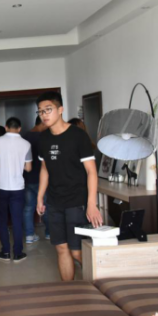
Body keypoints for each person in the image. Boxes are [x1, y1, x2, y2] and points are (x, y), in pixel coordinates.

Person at [36, 92, 103, 281]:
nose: (44, 114)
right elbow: (44, 169)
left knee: (76, 251)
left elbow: (91, 171)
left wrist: (91, 204)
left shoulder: (78, 136)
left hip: (76, 201)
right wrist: (40, 197)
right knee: (61, 247)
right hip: (54, 201)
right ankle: (69, 290)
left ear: (60, 110)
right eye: (40, 111)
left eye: (48, 109)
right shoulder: (43, 139)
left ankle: (101, 283)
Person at [0, 117, 32, 263]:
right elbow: (28, 168)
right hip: (17, 187)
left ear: (6, 127)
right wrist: (17, 163)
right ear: (19, 128)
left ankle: (5, 251)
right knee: (17, 219)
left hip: (0, 186)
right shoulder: (26, 144)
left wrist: (2, 163)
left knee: (2, 219)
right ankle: (18, 253)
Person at [21, 116, 50, 244]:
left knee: (28, 207)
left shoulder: (24, 137)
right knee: (46, 206)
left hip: (26, 178)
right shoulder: (44, 137)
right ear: (42, 123)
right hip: (41, 179)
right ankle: (49, 232)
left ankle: (29, 235)